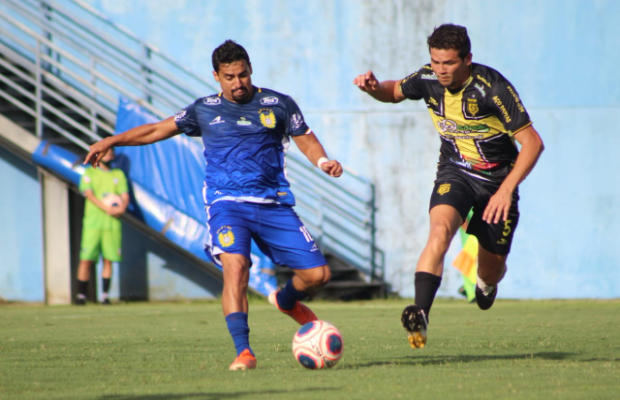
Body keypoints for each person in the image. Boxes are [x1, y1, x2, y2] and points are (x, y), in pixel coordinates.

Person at [84, 40, 343, 370]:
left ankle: (286, 300)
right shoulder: (204, 109)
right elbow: (156, 129)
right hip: (226, 204)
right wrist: (111, 140)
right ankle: (244, 352)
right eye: (230, 77)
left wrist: (322, 161)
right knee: (236, 268)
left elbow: (306, 138)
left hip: (272, 203)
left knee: (318, 275)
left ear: (251, 70)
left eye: (243, 75)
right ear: (216, 76)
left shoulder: (278, 104)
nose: (238, 83)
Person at [354, 24, 544, 349]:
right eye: (436, 61)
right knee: (439, 231)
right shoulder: (427, 78)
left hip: (497, 182)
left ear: (467, 59)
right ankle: (421, 314)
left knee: (491, 269)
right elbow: (394, 91)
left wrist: (506, 190)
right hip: (455, 172)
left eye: (449, 63)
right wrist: (373, 88)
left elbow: (533, 143)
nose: (441, 70)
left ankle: (485, 284)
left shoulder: (493, 88)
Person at [76, 148, 129, 305]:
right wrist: (107, 208)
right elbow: (89, 194)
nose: (109, 155)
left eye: (111, 153)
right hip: (93, 223)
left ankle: (105, 296)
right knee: (86, 259)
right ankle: (81, 296)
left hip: (112, 224)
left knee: (108, 259)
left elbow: (125, 196)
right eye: (106, 153)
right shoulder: (89, 173)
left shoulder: (118, 174)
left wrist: (122, 208)